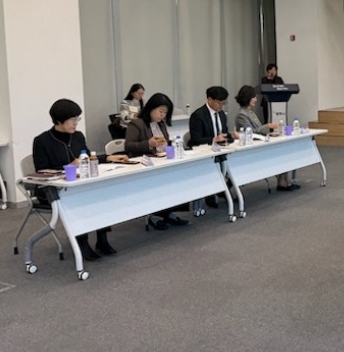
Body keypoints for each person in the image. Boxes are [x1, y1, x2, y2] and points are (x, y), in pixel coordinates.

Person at [33, 99, 129, 260]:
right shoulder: (42, 141)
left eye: (77, 119)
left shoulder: (77, 136)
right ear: (59, 120)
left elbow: (88, 158)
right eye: (72, 119)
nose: (76, 123)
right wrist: (68, 166)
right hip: (52, 189)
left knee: (102, 193)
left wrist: (109, 158)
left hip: (79, 184)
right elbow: (42, 172)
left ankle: (102, 238)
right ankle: (82, 242)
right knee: (80, 198)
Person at [125, 92, 189, 230]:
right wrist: (148, 144)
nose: (162, 115)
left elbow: (165, 142)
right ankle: (154, 215)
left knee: (178, 176)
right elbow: (128, 146)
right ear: (151, 108)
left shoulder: (161, 124)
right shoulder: (137, 123)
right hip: (145, 164)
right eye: (161, 111)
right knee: (161, 181)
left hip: (161, 161)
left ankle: (168, 212)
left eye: (165, 113)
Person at [234, 85, 295, 192]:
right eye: (253, 97)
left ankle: (284, 181)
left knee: (282, 149)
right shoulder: (242, 115)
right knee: (279, 152)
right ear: (247, 97)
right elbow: (251, 132)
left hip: (259, 142)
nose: (256, 99)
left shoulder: (250, 112)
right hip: (251, 147)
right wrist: (268, 126)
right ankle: (282, 182)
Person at [188, 86, 238, 208]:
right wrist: (213, 139)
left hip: (221, 150)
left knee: (239, 164)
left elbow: (223, 134)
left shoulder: (222, 115)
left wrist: (231, 136)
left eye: (223, 103)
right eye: (219, 102)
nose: (221, 106)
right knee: (223, 164)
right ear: (209, 100)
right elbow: (195, 140)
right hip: (205, 153)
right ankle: (215, 191)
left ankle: (222, 189)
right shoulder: (198, 116)